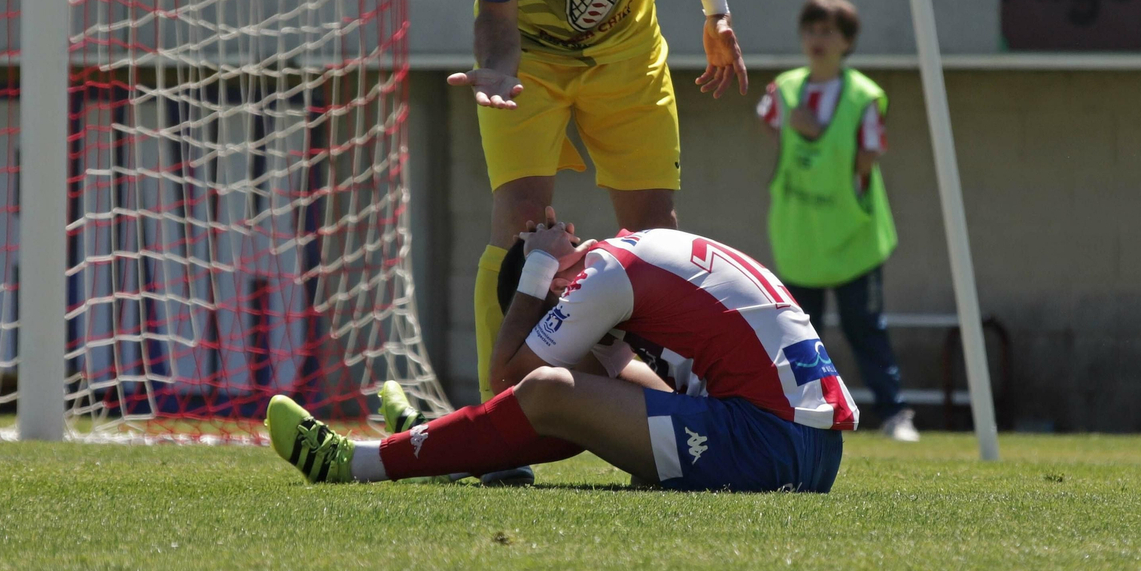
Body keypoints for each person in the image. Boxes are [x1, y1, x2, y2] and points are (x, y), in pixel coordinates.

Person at [445, 0, 748, 449]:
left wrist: (715, 9)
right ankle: (496, 428)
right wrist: (495, 68)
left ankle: (675, 413)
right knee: (522, 226)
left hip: (627, 55)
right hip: (530, 65)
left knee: (656, 237)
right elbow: (496, 18)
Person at [265, 210, 856, 492]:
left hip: (769, 443)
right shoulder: (634, 258)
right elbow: (642, 396)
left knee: (548, 390)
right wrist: (598, 349)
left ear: (556, 291)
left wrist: (538, 270)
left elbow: (509, 377)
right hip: (811, 452)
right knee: (572, 398)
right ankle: (441, 444)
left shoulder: (600, 275)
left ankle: (361, 463)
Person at [755, 0, 917, 443]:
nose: (816, 39)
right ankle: (799, 413)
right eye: (810, 30)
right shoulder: (783, 91)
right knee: (799, 330)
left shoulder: (865, 96)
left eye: (828, 31)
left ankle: (894, 413)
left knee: (865, 328)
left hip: (852, 238)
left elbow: (868, 155)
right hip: (801, 235)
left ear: (847, 41)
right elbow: (771, 129)